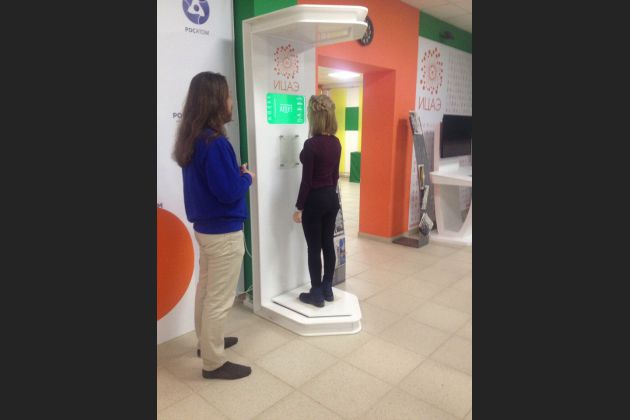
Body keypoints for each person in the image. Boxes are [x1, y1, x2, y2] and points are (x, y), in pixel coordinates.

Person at [173, 72, 255, 380]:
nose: (231, 101)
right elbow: (228, 192)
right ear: (216, 101)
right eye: (228, 96)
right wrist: (246, 178)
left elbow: (213, 184)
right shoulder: (215, 142)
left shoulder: (193, 139)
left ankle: (205, 344)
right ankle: (213, 362)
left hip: (206, 230)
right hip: (223, 233)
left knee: (206, 291)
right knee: (219, 299)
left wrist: (234, 174)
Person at [293, 95, 342, 307]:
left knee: (314, 248)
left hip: (315, 200)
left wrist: (299, 207)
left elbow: (307, 181)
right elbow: (335, 176)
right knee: (327, 244)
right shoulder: (336, 143)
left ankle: (316, 293)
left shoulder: (311, 145)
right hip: (332, 198)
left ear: (314, 117)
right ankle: (327, 288)